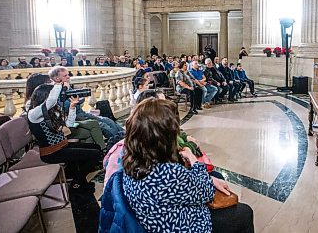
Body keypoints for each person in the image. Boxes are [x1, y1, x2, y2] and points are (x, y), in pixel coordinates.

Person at [103, 98, 254, 233]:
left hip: (154, 219)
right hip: (179, 224)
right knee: (244, 212)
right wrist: (192, 157)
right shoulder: (168, 173)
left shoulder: (131, 160)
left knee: (215, 179)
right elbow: (206, 191)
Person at [27, 82, 102, 193]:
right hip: (51, 153)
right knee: (94, 154)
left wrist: (72, 107)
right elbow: (51, 101)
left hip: (62, 146)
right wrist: (59, 85)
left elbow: (69, 124)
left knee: (96, 147)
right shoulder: (33, 114)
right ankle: (77, 182)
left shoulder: (51, 112)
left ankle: (77, 177)